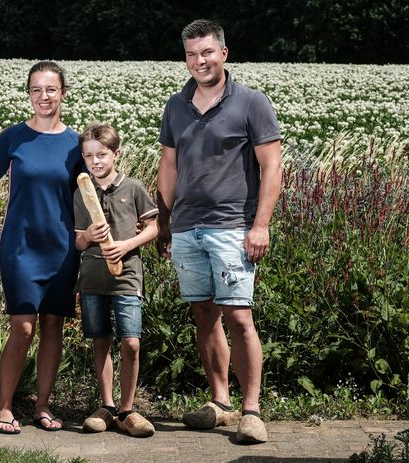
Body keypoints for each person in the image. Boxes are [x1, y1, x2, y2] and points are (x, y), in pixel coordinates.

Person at [156, 19, 282, 444]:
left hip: (233, 226)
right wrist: (164, 222)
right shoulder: (176, 105)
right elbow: (169, 167)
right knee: (204, 315)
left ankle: (252, 409)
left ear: (223, 53)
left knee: (239, 315)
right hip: (187, 227)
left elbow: (271, 167)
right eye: (192, 54)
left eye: (207, 52)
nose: (199, 61)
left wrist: (260, 225)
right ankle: (221, 403)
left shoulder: (251, 102)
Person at [0, 61, 84, 434]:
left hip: (63, 248)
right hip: (20, 248)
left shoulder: (77, 144)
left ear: (63, 94)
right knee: (23, 328)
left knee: (53, 325)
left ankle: (42, 406)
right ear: (29, 94)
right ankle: (4, 407)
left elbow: (95, 192)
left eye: (51, 90)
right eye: (36, 90)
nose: (44, 97)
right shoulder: (13, 137)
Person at [74, 123, 158, 438]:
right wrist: (87, 237)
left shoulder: (134, 187)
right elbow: (77, 242)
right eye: (89, 156)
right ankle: (107, 407)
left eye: (102, 155)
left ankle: (128, 409)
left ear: (116, 154)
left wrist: (126, 245)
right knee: (100, 340)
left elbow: (153, 227)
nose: (95, 161)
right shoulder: (81, 192)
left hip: (128, 275)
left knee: (131, 342)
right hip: (93, 277)